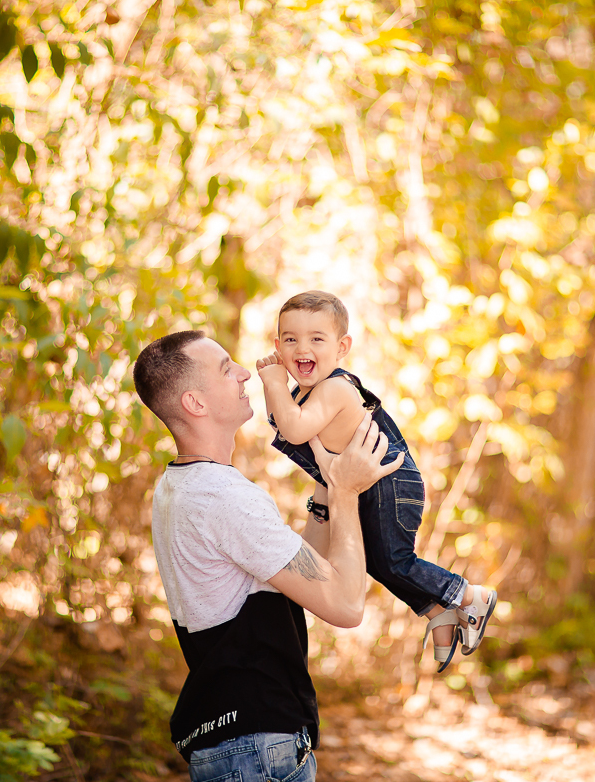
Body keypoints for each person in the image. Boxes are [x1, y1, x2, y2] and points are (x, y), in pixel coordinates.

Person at [133, 329, 403, 782]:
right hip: (256, 749)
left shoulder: (180, 487)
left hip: (240, 742)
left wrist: (326, 484)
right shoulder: (221, 497)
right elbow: (345, 604)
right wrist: (346, 493)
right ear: (195, 403)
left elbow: (299, 582)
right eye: (225, 369)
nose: (244, 372)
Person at [256, 290, 497, 673]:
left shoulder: (335, 388)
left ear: (342, 347)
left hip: (390, 483)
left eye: (317, 339)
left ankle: (469, 594)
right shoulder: (303, 392)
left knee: (395, 560)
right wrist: (277, 386)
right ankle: (437, 612)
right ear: (278, 346)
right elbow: (280, 419)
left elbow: (294, 428)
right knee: (375, 562)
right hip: (367, 485)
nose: (302, 347)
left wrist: (270, 380)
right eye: (290, 339)